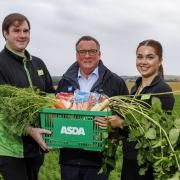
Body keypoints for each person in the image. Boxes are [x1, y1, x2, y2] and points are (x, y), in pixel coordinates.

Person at [56, 35, 129, 180]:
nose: (87, 56)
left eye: (92, 51)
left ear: (99, 54)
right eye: (83, 52)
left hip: (99, 160)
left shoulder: (115, 82)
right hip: (69, 158)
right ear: (77, 55)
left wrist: (115, 122)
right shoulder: (65, 81)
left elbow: (127, 121)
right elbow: (56, 113)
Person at [108, 39, 175, 180]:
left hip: (147, 163)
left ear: (160, 60)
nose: (143, 62)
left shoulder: (163, 90)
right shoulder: (135, 88)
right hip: (130, 159)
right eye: (140, 56)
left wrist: (121, 123)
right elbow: (132, 120)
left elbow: (157, 131)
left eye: (150, 57)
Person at [0, 13, 54, 180]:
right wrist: (29, 130)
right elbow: (2, 110)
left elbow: (50, 93)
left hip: (36, 146)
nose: (22, 35)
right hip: (10, 148)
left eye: (26, 30)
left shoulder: (38, 63)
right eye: (17, 30)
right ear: (5, 34)